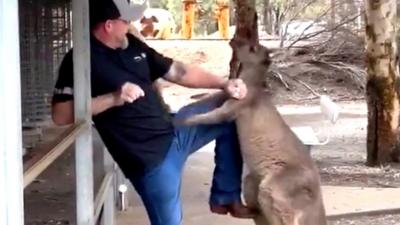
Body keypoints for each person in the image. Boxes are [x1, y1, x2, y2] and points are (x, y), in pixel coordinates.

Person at [51, 0, 256, 224]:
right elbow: (60, 115)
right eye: (126, 20)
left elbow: (178, 72)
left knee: (231, 113)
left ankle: (225, 197)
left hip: (176, 130)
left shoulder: (133, 47)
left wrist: (224, 84)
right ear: (108, 25)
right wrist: (113, 98)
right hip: (152, 162)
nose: (131, 25)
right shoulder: (79, 60)